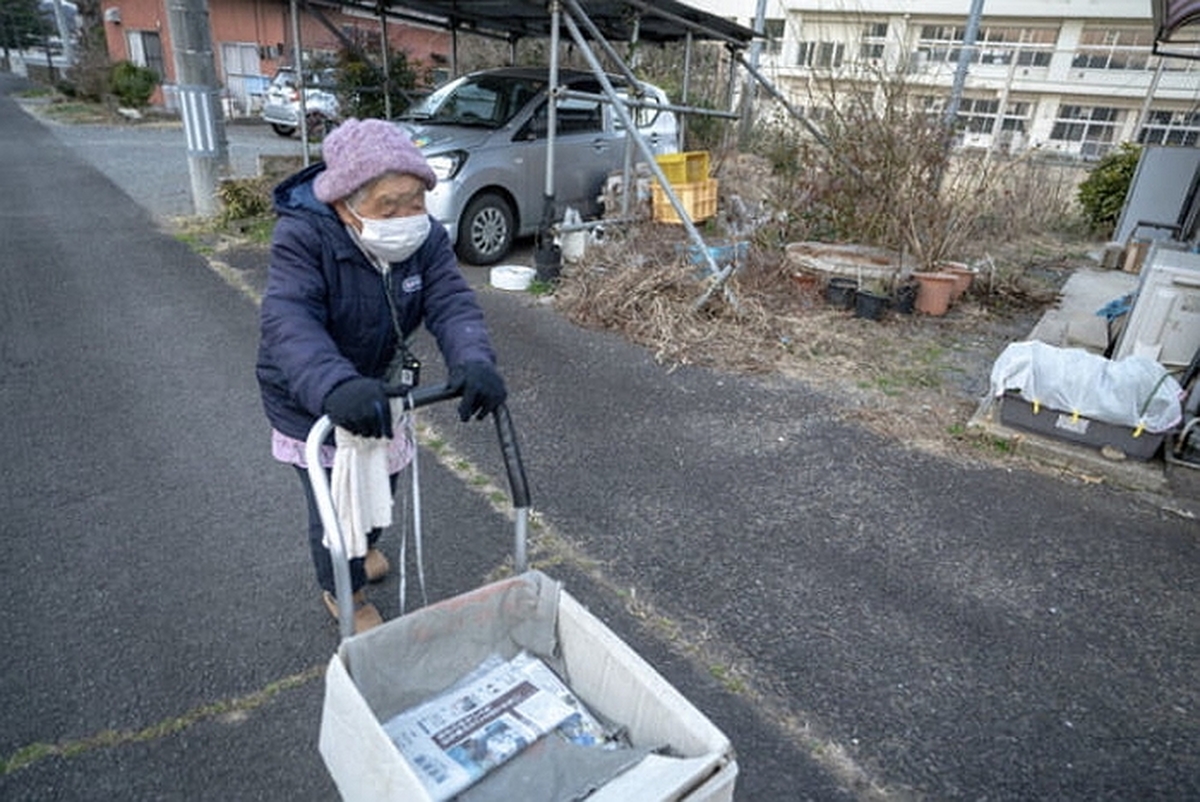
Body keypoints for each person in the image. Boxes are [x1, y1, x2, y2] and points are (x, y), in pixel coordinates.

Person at [256, 118, 507, 633]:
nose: (406, 216)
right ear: (344, 202)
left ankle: (364, 548)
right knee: (336, 506)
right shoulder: (304, 237)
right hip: (313, 396)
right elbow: (289, 319)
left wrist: (473, 360)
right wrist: (334, 385)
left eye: (415, 200)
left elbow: (451, 301)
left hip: (380, 388)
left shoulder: (425, 239)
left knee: (382, 484)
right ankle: (342, 588)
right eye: (388, 205)